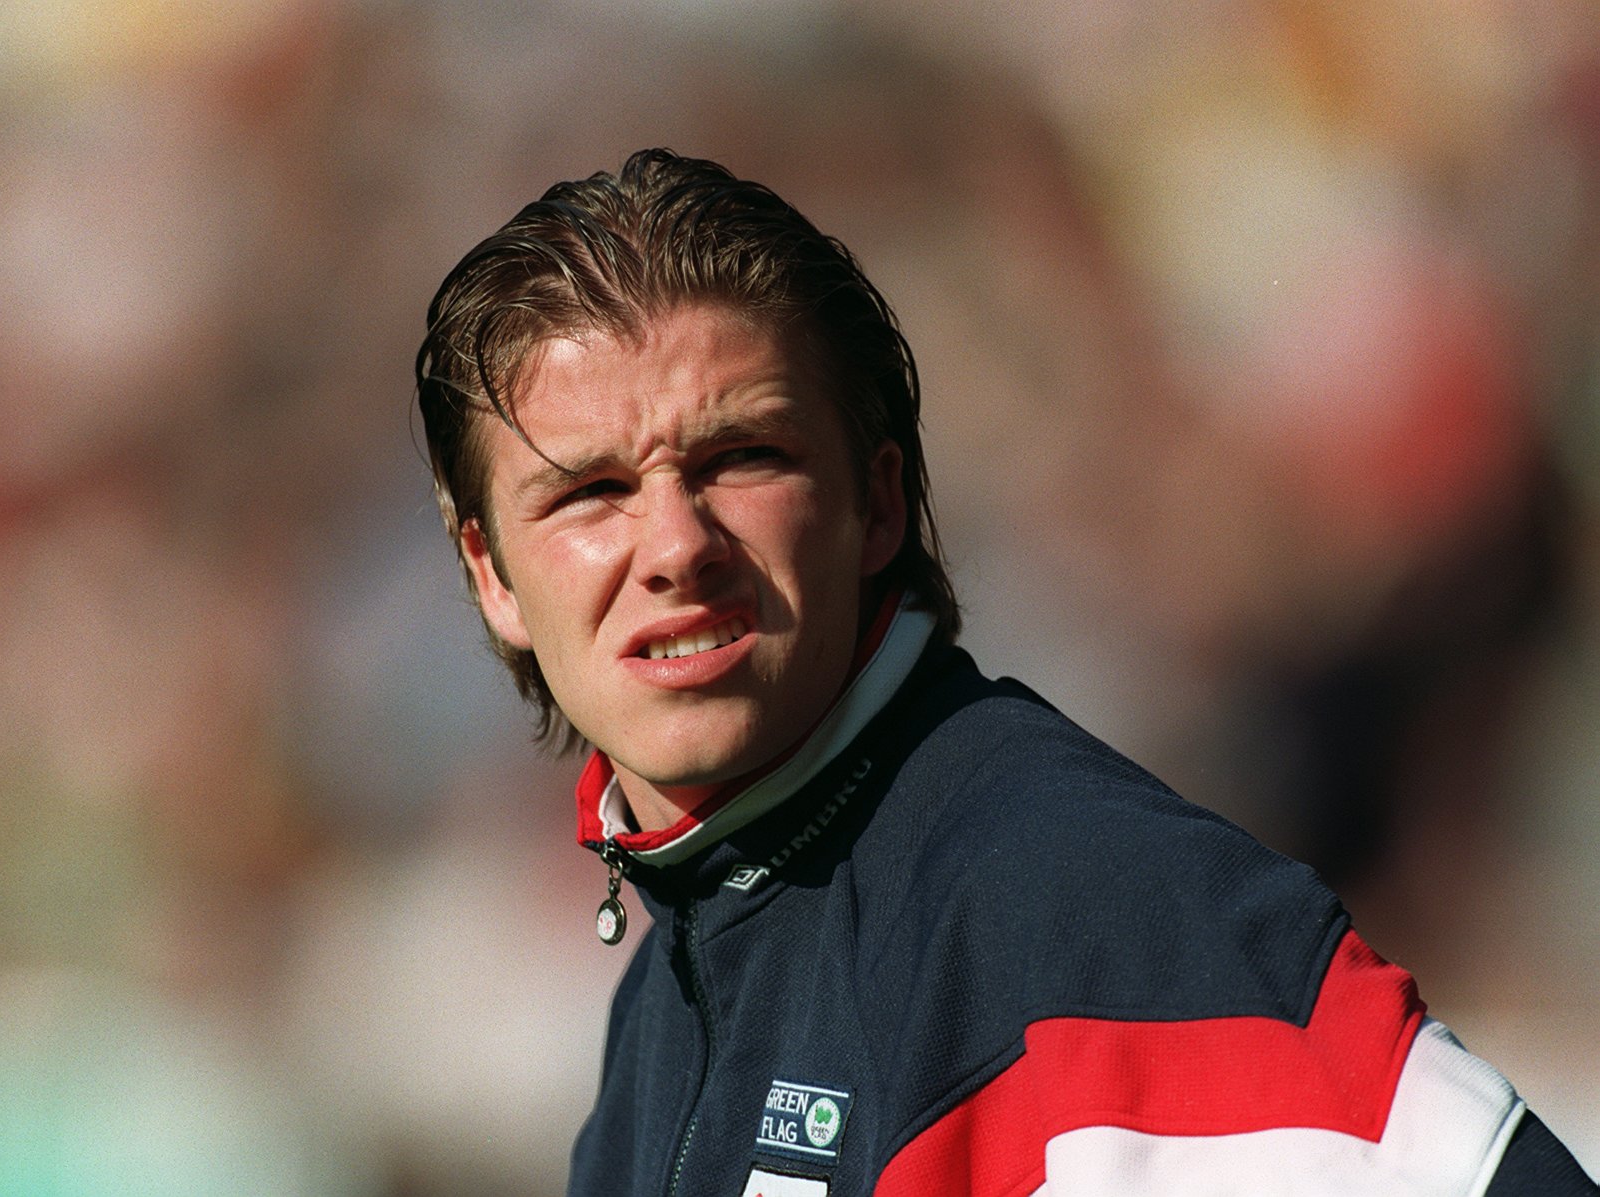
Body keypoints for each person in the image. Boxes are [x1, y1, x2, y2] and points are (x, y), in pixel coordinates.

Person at [414, 149, 1596, 1197]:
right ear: (492, 575)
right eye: (590, 492)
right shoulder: (681, 959)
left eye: (741, 459)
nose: (674, 547)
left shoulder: (1079, 908)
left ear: (876, 506)